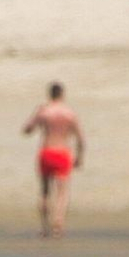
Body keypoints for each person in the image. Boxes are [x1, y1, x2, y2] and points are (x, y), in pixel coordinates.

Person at [22, 82, 85, 238]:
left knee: (44, 191)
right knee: (62, 192)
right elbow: (81, 139)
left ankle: (44, 227)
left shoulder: (44, 111)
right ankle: (58, 224)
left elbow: (27, 129)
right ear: (62, 94)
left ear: (49, 94)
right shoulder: (69, 113)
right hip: (63, 152)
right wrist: (79, 157)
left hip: (46, 152)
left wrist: (37, 120)